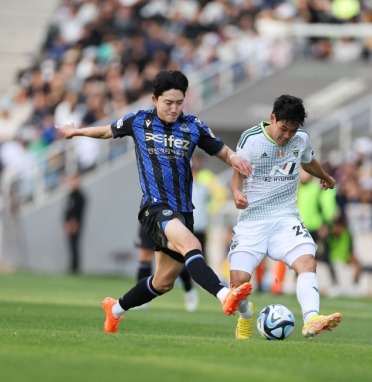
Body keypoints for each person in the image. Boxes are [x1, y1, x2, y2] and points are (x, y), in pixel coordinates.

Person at [55, 70, 253, 334]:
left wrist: (236, 159)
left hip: (184, 212)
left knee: (162, 283)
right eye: (168, 103)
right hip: (155, 209)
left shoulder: (193, 126)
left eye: (179, 103)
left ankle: (114, 310)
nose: (174, 109)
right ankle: (223, 295)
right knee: (192, 245)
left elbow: (222, 151)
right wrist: (76, 132)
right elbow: (106, 131)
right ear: (154, 99)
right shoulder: (139, 121)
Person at [228, 94, 342, 340]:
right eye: (283, 129)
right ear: (272, 118)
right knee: (237, 284)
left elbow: (308, 161)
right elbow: (237, 175)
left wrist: (326, 176)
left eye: (293, 130)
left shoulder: (300, 139)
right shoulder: (251, 139)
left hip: (285, 218)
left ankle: (311, 318)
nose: (287, 135)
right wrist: (237, 193)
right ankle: (246, 317)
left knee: (307, 261)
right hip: (253, 220)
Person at [134, 224, 199, 312]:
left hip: (168, 218)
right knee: (144, 258)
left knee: (173, 260)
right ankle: (140, 298)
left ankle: (188, 288)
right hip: (149, 217)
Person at [63, 173, 86, 274]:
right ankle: (72, 266)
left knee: (75, 245)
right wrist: (65, 222)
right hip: (69, 224)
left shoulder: (80, 196)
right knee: (71, 246)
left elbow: (78, 211)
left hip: (75, 224)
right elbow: (67, 210)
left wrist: (74, 222)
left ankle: (75, 268)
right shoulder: (70, 195)